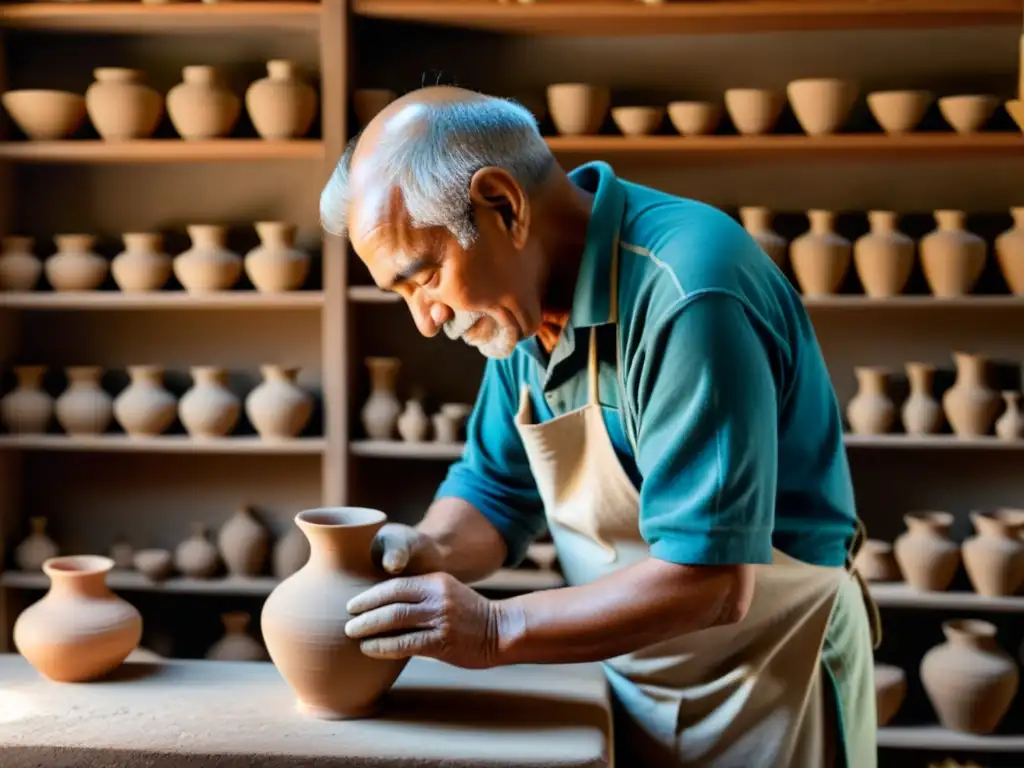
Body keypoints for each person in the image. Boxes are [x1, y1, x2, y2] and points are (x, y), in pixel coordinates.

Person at [319, 85, 880, 768]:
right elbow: (496, 496)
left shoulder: (690, 294)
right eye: (400, 293)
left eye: (426, 275)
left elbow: (711, 582)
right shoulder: (521, 311)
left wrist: (496, 629)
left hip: (768, 677)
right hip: (627, 671)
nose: (426, 320)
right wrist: (423, 550)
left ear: (503, 205)